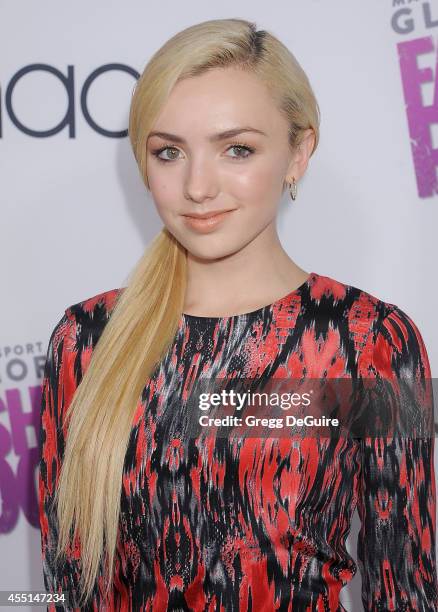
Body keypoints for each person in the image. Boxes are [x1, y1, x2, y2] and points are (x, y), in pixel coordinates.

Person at [38, 17, 437, 612]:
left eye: (237, 149)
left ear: (298, 152)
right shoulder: (87, 341)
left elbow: (407, 590)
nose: (197, 185)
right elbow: (68, 589)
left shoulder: (371, 340)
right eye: (169, 151)